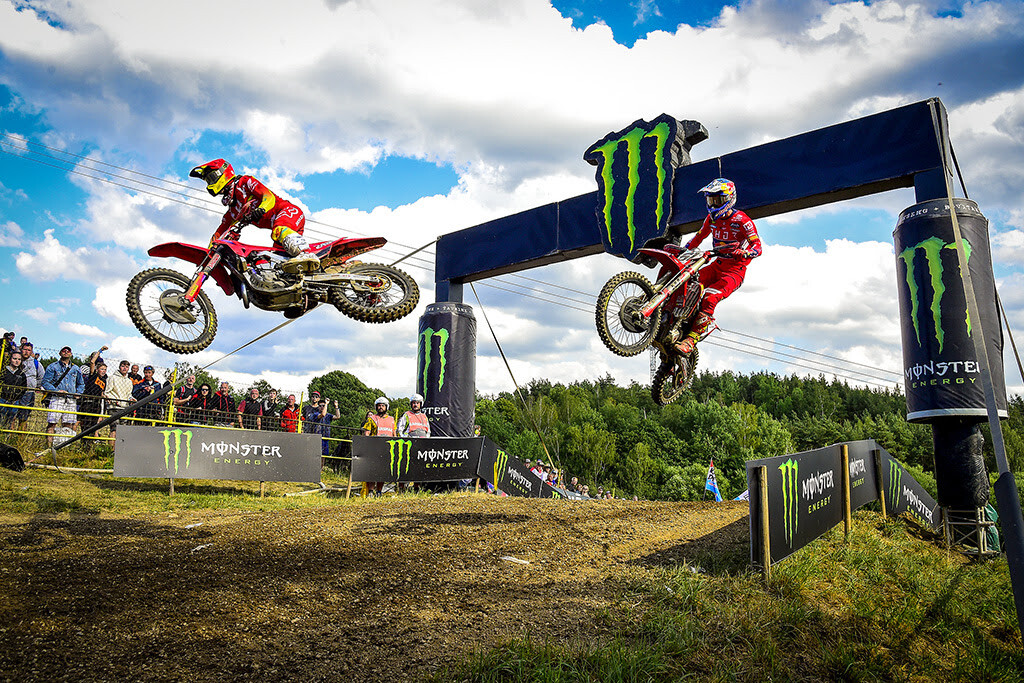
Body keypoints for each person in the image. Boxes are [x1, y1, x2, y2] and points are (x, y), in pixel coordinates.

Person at [675, 178, 762, 355]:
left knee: (709, 297)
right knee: (689, 284)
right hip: (716, 264)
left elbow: (758, 247)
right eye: (710, 200)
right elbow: (698, 238)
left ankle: (691, 340)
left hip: (734, 272)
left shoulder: (742, 220)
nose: (714, 204)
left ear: (729, 199)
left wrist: (745, 253)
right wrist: (682, 251)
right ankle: (676, 320)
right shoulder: (711, 219)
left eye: (718, 200)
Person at [189, 158, 319, 275]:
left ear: (224, 172)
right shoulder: (233, 211)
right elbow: (219, 233)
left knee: (278, 230)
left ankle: (306, 253)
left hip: (288, 212)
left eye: (211, 178)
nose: (210, 183)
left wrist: (262, 209)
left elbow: (268, 196)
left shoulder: (244, 183)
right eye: (208, 181)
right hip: (281, 232)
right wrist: (208, 255)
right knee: (279, 265)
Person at [42, 346, 85, 446]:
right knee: (52, 423)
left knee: (68, 424)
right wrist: (56, 391)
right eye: (63, 351)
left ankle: (64, 446)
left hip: (71, 399)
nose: (66, 352)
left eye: (68, 351)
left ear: (71, 354)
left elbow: (81, 383)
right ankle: (49, 446)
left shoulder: (75, 368)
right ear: (60, 353)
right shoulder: (53, 367)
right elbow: (45, 382)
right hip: (56, 398)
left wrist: (78, 393)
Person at [361, 396, 397, 496]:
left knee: (382, 472)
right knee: (373, 471)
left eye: (383, 406)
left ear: (386, 407)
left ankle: (379, 491)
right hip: (374, 448)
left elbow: (394, 433)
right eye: (379, 406)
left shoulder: (391, 419)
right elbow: (366, 433)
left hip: (387, 449)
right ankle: (371, 491)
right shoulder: (372, 419)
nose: (381, 407)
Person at [16, 342, 45, 438]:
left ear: (31, 351)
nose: (26, 352)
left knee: (24, 418)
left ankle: (20, 439)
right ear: (21, 349)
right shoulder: (16, 359)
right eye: (24, 349)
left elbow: (41, 376)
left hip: (29, 392)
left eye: (29, 350)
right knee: (11, 416)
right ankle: (9, 437)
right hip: (14, 392)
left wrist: (36, 386)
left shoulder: (35, 363)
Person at [104, 360, 135, 442]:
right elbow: (107, 392)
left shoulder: (129, 381)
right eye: (123, 366)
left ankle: (119, 451)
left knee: (122, 430)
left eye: (127, 366)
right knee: (114, 429)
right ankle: (111, 450)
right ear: (119, 367)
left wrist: (131, 399)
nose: (125, 368)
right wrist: (113, 400)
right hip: (113, 406)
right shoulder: (112, 378)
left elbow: (129, 394)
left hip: (125, 407)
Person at [79, 359, 108, 446]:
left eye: (105, 370)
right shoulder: (93, 376)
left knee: (94, 425)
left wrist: (104, 396)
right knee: (86, 424)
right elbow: (92, 362)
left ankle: (89, 444)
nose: (104, 371)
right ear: (97, 369)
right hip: (88, 402)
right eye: (102, 369)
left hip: (97, 404)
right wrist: (100, 351)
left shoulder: (104, 380)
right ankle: (84, 443)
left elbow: (101, 391)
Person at [303, 391, 340, 458]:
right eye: (320, 406)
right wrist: (326, 404)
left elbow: (337, 417)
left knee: (323, 456)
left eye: (323, 405)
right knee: (316, 455)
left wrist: (336, 406)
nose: (322, 407)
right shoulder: (315, 414)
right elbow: (323, 414)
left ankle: (321, 468)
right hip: (317, 437)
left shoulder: (328, 415)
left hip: (325, 437)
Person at [2, 352, 27, 433]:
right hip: (2, 399)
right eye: (14, 359)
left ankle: (7, 439)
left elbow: (24, 388)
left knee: (10, 421)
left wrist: (17, 398)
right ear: (10, 359)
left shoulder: (21, 374)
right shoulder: (3, 371)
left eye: (19, 359)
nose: (17, 361)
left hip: (14, 401)